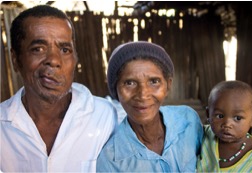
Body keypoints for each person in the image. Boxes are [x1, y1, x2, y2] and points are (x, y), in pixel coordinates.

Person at [0, 5, 117, 172]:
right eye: (38, 49)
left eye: (65, 49)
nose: (54, 60)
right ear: (16, 60)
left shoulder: (104, 117)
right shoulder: (2, 128)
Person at [96, 41, 203, 172]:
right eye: (129, 83)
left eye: (154, 81)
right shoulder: (110, 161)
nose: (142, 94)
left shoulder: (188, 121)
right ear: (116, 90)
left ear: (168, 85)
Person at [196, 80, 252, 172]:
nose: (227, 124)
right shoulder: (201, 136)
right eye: (220, 116)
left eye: (238, 118)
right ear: (208, 114)